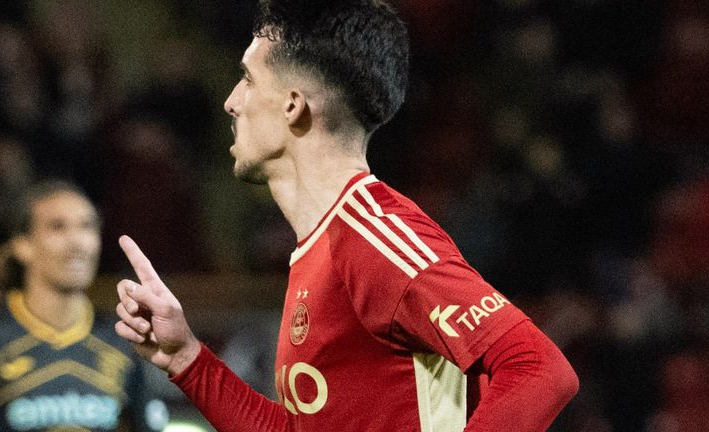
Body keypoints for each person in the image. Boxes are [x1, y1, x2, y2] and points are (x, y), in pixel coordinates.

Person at [114, 1, 579, 430]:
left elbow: (539, 368)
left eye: (249, 79)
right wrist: (187, 359)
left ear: (294, 105)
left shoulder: (373, 234)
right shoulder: (322, 246)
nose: (231, 101)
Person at [0, 180, 170, 432]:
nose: (78, 242)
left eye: (87, 227)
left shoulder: (123, 337)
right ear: (22, 245)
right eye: (57, 227)